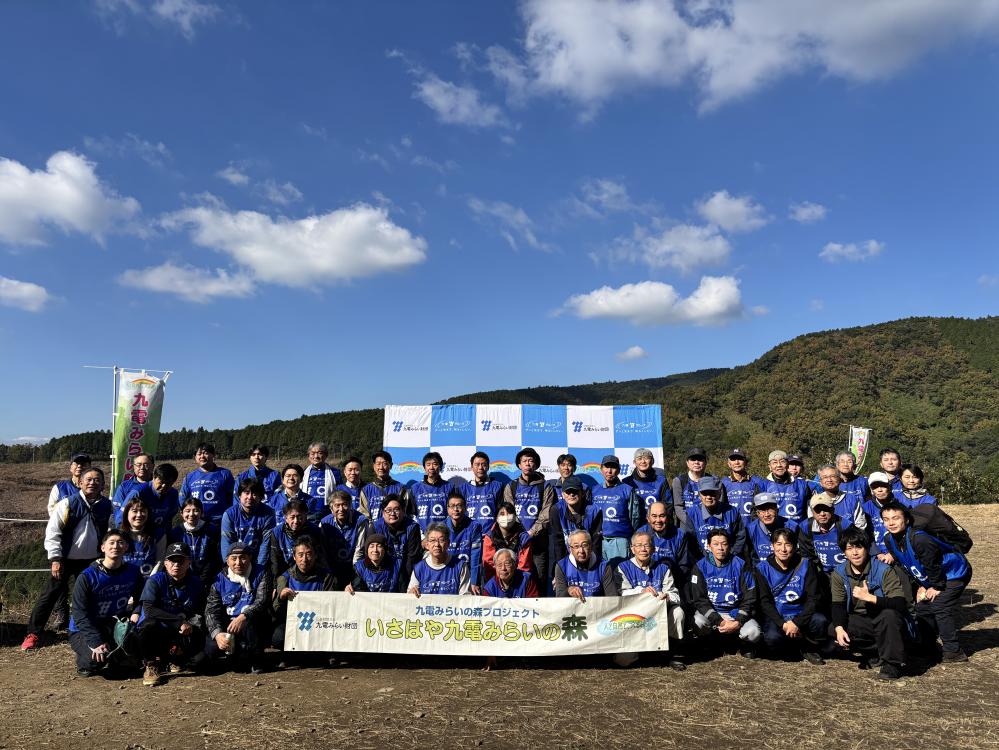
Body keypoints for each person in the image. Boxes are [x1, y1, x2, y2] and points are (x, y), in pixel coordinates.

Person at [23, 466, 114, 651]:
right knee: (50, 595)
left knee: (92, 597)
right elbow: (53, 532)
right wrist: (55, 558)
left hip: (92, 561)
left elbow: (111, 532)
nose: (92, 483)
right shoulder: (68, 503)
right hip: (65, 559)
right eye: (88, 479)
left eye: (97, 480)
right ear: (80, 483)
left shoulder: (107, 506)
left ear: (103, 484)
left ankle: (89, 631)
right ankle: (33, 633)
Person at [882, 501, 972, 662]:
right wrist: (921, 586)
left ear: (906, 520)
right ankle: (927, 647)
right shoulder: (889, 539)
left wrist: (935, 586)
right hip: (935, 577)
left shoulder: (919, 539)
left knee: (940, 605)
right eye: (886, 519)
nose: (891, 523)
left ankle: (954, 651)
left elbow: (932, 564)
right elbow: (906, 565)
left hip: (954, 573)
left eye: (896, 518)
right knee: (923, 608)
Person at [829, 528, 910, 681]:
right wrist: (839, 629)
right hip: (862, 620)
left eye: (859, 547)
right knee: (833, 628)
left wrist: (870, 598)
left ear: (866, 548)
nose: (855, 553)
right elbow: (838, 604)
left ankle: (892, 663)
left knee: (889, 615)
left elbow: (899, 604)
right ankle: (875, 651)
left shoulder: (884, 570)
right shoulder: (839, 573)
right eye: (849, 548)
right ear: (844, 552)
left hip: (885, 620)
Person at [65, 528, 144, 677]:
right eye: (111, 543)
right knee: (96, 661)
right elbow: (79, 612)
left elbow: (141, 598)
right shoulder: (88, 576)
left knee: (131, 659)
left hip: (112, 624)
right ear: (103, 548)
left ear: (126, 547)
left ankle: (116, 654)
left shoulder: (133, 572)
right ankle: (85, 660)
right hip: (83, 629)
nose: (116, 546)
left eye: (120, 543)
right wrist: (94, 641)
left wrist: (136, 613)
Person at [754, 527, 828, 664]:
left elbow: (813, 598)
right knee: (772, 638)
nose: (783, 549)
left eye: (787, 544)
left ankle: (809, 648)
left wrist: (797, 622)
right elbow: (765, 602)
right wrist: (783, 624)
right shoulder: (762, 568)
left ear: (794, 547)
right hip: (777, 615)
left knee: (820, 621)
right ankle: (793, 646)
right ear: (772, 546)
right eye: (779, 544)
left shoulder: (806, 564)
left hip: (800, 613)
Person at [136, 542, 205, 685]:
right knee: (148, 625)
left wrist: (192, 625)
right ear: (166, 563)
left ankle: (173, 659)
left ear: (189, 562)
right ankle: (151, 664)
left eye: (181, 560)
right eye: (172, 560)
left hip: (180, 632)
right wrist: (179, 622)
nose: (176, 564)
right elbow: (149, 610)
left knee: (202, 658)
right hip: (157, 630)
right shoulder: (155, 580)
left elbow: (200, 609)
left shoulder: (196, 583)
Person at [615, 530, 686, 670]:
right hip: (633, 618)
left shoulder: (663, 568)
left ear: (653, 549)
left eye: (647, 545)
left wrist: (667, 597)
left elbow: (675, 595)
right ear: (632, 549)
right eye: (639, 545)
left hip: (658, 615)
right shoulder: (622, 568)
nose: (643, 549)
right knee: (623, 661)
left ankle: (672, 654)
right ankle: (643, 652)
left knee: (678, 612)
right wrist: (642, 592)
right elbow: (620, 594)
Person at [200, 542, 273, 674]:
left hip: (252, 622)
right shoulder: (218, 579)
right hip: (228, 624)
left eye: (243, 558)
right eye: (234, 559)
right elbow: (211, 610)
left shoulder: (262, 572)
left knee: (252, 624)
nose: (238, 562)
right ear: (227, 561)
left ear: (250, 558)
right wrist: (217, 634)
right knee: (210, 651)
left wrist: (244, 616)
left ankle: (256, 658)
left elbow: (262, 601)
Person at [688, 528, 762, 657]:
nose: (720, 548)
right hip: (713, 612)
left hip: (735, 612)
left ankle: (741, 644)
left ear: (729, 546)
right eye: (716, 544)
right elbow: (699, 600)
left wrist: (738, 621)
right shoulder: (700, 566)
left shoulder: (741, 565)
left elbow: (750, 597)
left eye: (724, 544)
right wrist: (720, 621)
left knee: (754, 633)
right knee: (698, 622)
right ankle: (711, 641)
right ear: (709, 546)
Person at [271, 537, 337, 661]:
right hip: (293, 622)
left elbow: (333, 605)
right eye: (300, 555)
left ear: (315, 555)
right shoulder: (285, 578)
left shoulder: (326, 576)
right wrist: (281, 598)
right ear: (294, 556)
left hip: (319, 622)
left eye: (309, 554)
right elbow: (275, 610)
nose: (304, 559)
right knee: (278, 637)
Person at [502, 448, 557, 589]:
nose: (528, 464)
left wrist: (531, 532)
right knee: (516, 580)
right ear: (519, 465)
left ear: (536, 465)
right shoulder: (511, 486)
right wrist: (520, 533)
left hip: (539, 543)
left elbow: (546, 513)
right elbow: (509, 512)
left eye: (531, 461)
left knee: (539, 580)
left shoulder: (545, 486)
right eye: (524, 461)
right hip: (517, 542)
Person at [354, 494, 422, 583]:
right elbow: (371, 555)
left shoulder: (412, 527)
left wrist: (406, 581)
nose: (392, 514)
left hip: (405, 572)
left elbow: (413, 558)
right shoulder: (375, 527)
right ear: (383, 512)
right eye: (388, 510)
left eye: (396, 509)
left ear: (403, 511)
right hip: (383, 573)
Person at [589, 455, 641, 567]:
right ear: (601, 469)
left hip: (619, 541)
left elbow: (635, 518)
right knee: (600, 575)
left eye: (613, 467)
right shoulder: (594, 490)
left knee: (619, 575)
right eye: (606, 467)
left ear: (618, 470)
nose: (609, 471)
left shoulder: (627, 490)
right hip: (597, 541)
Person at [681, 475, 746, 559]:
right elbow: (690, 542)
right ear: (699, 495)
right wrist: (706, 560)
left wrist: (729, 556)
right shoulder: (692, 513)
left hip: (729, 559)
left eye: (712, 493)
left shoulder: (732, 512)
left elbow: (740, 537)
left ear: (719, 493)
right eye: (704, 493)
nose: (708, 497)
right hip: (702, 561)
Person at [798, 494, 862, 576]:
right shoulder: (805, 527)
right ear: (812, 511)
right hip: (823, 573)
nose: (822, 514)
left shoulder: (845, 526)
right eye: (817, 510)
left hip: (846, 572)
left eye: (826, 509)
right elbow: (807, 555)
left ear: (833, 510)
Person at [221, 478, 276, 568]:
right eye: (246, 493)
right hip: (236, 562)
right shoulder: (229, 514)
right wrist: (230, 565)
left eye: (254, 494)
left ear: (261, 497)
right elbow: (226, 543)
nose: (250, 497)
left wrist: (259, 568)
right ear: (239, 495)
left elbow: (266, 544)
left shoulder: (269, 514)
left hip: (258, 561)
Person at [634, 501, 695, 583]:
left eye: (662, 516)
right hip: (646, 582)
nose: (658, 520)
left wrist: (671, 582)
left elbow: (684, 565)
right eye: (654, 516)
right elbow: (636, 564)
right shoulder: (640, 534)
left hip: (672, 581)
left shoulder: (679, 535)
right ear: (648, 518)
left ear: (668, 517)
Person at [178, 443, 235, 527]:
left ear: (213, 455)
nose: (202, 456)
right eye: (199, 454)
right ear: (195, 457)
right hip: (197, 522)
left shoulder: (225, 474)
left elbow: (233, 498)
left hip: (220, 523)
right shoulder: (189, 477)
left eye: (205, 453)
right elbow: (182, 500)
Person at [408, 523, 471, 596]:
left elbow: (465, 598)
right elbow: (410, 596)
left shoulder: (460, 566)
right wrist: (412, 592)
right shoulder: (419, 568)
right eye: (432, 540)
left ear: (448, 543)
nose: (437, 545)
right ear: (427, 544)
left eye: (441, 540)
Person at [319, 490, 367, 586]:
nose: (341, 509)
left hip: (353, 565)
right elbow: (322, 550)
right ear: (331, 508)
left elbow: (360, 549)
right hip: (332, 567)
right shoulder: (324, 522)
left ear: (350, 506)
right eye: (337, 505)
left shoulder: (361, 520)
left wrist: (355, 573)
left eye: (344, 504)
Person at [554, 530, 619, 600]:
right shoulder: (562, 566)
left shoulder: (603, 566)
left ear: (591, 546)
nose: (581, 551)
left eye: (584, 545)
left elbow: (612, 598)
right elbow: (559, 599)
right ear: (570, 549)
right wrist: (568, 591)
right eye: (576, 546)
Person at [167, 497, 220, 581]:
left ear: (201, 513)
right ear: (181, 513)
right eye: (187, 511)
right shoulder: (176, 533)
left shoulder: (211, 530)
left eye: (196, 510)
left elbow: (213, 558)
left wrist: (202, 579)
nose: (191, 514)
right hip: (183, 578)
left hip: (207, 577)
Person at [270, 499, 326, 579]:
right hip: (285, 574)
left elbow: (320, 559)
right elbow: (275, 561)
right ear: (286, 518)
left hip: (311, 573)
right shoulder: (277, 532)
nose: (296, 521)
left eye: (299, 517)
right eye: (292, 517)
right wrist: (277, 581)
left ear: (305, 517)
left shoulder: (315, 531)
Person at [481, 501, 534, 582]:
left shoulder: (524, 538)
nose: (506, 517)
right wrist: (498, 584)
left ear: (515, 517)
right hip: (495, 580)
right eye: (502, 514)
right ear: (497, 518)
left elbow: (524, 566)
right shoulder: (489, 537)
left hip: (518, 580)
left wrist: (515, 583)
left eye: (509, 513)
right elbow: (489, 565)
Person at [444, 491, 484, 594]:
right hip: (446, 573)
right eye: (452, 506)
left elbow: (476, 556)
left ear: (465, 508)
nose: (456, 509)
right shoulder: (441, 527)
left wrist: (474, 581)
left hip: (467, 573)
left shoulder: (474, 526)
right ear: (447, 509)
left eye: (459, 506)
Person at [119, 495, 166, 579]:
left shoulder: (158, 534)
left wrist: (151, 582)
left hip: (149, 580)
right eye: (134, 511)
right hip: (124, 581)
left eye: (142, 511)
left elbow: (160, 561)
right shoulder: (119, 535)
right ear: (127, 513)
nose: (139, 515)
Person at [809, 464, 867, 531]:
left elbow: (860, 526)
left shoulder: (852, 499)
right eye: (825, 477)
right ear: (820, 482)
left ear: (839, 479)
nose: (829, 480)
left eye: (833, 476)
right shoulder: (814, 501)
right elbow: (812, 525)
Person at [127, 463, 180, 536]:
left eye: (168, 484)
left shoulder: (173, 494)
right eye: (161, 482)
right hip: (139, 535)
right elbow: (122, 517)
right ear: (154, 478)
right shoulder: (139, 493)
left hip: (161, 536)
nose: (163, 486)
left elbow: (170, 517)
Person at [745, 493, 798, 564]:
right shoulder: (750, 530)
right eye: (762, 510)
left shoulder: (792, 527)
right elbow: (751, 558)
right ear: (757, 513)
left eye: (770, 509)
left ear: (777, 510)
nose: (767, 514)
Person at [358, 451, 412, 520]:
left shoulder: (401, 488)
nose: (381, 467)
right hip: (374, 527)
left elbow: (405, 512)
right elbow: (364, 515)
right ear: (374, 466)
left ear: (391, 465)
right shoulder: (366, 490)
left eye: (385, 464)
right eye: (378, 464)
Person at [457, 451, 506, 526]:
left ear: (488, 467)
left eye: (483, 464)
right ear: (472, 467)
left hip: (490, 532)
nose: (480, 468)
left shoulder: (498, 486)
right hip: (469, 531)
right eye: (477, 464)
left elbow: (501, 513)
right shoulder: (462, 489)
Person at [721, 448, 767, 525]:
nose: (737, 462)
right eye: (733, 459)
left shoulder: (757, 481)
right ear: (729, 464)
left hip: (753, 527)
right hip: (732, 527)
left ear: (746, 462)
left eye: (740, 459)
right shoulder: (723, 483)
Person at [763, 450, 811, 522]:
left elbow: (810, 510)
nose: (779, 465)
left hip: (797, 528)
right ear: (769, 466)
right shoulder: (762, 485)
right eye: (774, 462)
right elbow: (757, 512)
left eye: (782, 461)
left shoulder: (803, 485)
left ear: (787, 464)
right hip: (774, 528)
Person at [410, 451, 452, 533]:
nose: (431, 467)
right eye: (428, 464)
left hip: (443, 534)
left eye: (435, 464)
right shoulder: (415, 488)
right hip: (421, 535)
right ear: (424, 468)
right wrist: (420, 534)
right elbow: (411, 514)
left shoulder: (450, 487)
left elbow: (452, 513)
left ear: (440, 467)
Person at [671, 447, 713, 526]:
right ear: (687, 463)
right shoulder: (678, 481)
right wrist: (690, 522)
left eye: (700, 459)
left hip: (709, 523)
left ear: (705, 462)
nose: (696, 462)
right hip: (686, 525)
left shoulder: (713, 480)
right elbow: (678, 506)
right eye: (693, 459)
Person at [862, 472, 897, 563]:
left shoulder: (899, 505)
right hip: (875, 554)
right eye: (875, 487)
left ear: (889, 487)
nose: (880, 490)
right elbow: (865, 533)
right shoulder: (865, 508)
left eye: (883, 486)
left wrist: (893, 553)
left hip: (897, 552)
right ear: (871, 490)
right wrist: (876, 553)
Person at [624, 448, 670, 514]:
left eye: (646, 458)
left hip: (656, 520)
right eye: (639, 459)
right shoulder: (627, 482)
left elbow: (668, 505)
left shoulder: (661, 481)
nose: (643, 461)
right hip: (635, 520)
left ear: (652, 461)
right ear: (634, 462)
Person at [111, 453, 154, 523]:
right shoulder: (124, 486)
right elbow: (118, 512)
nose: (142, 468)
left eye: (146, 464)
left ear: (153, 466)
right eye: (138, 465)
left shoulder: (159, 486)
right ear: (133, 467)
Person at [301, 442, 344, 507]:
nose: (316, 456)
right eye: (312, 453)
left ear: (326, 455)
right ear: (308, 456)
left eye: (320, 453)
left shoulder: (335, 472)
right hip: (306, 510)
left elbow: (340, 493)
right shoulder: (302, 473)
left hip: (328, 510)